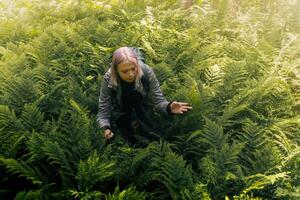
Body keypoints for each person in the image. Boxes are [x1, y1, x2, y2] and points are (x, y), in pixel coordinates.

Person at [97, 47, 192, 142]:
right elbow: (104, 108)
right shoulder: (109, 77)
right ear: (116, 70)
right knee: (125, 136)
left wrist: (169, 107)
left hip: (143, 104)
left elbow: (158, 101)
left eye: (133, 69)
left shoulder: (146, 71)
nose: (131, 74)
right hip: (121, 108)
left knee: (150, 134)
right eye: (125, 71)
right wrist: (105, 128)